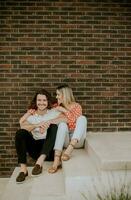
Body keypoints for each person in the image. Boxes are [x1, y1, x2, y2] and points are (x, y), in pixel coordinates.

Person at [15, 89, 65, 183]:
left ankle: (39, 163)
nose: (41, 103)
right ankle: (23, 170)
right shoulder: (32, 116)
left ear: (48, 101)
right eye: (39, 100)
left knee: (53, 127)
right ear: (36, 101)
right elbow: (22, 126)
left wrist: (49, 122)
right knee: (20, 133)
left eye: (44, 100)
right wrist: (36, 125)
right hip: (35, 149)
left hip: (50, 150)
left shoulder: (53, 112)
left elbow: (66, 118)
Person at [41, 84, 87, 173]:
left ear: (64, 95)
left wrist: (64, 110)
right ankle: (56, 161)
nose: (56, 96)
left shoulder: (77, 106)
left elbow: (73, 120)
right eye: (56, 94)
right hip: (65, 140)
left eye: (58, 94)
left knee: (82, 118)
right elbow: (44, 110)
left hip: (77, 140)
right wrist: (30, 112)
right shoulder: (57, 106)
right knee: (62, 125)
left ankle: (69, 149)